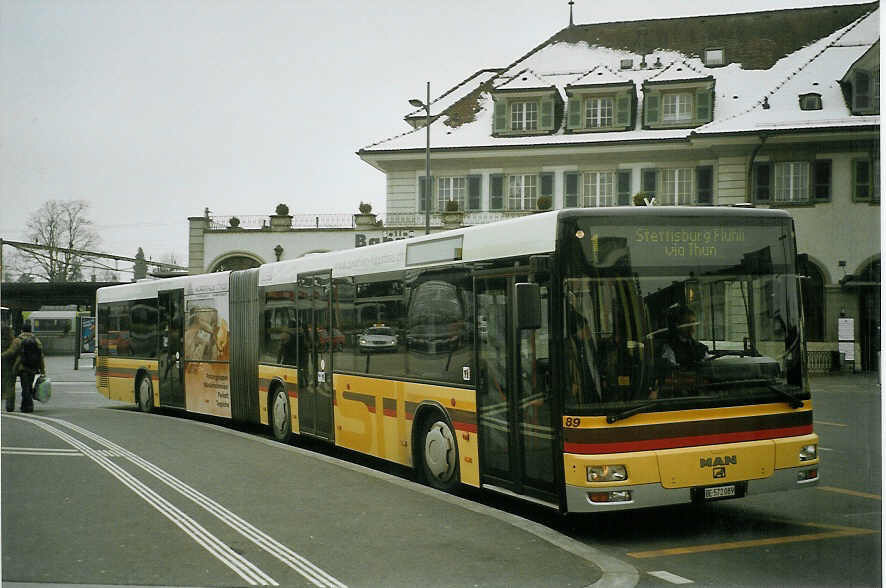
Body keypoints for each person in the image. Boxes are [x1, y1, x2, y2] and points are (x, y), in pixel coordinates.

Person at [660, 305, 709, 369]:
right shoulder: (669, 348)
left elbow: (709, 365)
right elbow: (673, 372)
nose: (692, 327)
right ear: (678, 325)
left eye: (693, 323)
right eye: (687, 323)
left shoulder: (700, 347)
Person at [11, 323, 46, 413]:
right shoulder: (36, 340)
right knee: (28, 386)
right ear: (31, 330)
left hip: (23, 368)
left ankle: (28, 406)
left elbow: (12, 354)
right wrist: (42, 370)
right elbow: (41, 356)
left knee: (25, 387)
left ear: (22, 330)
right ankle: (25, 405)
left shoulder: (18, 340)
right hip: (33, 368)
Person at [2, 325, 18, 412]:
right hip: (11, 366)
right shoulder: (14, 341)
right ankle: (10, 406)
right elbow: (12, 352)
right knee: (11, 386)